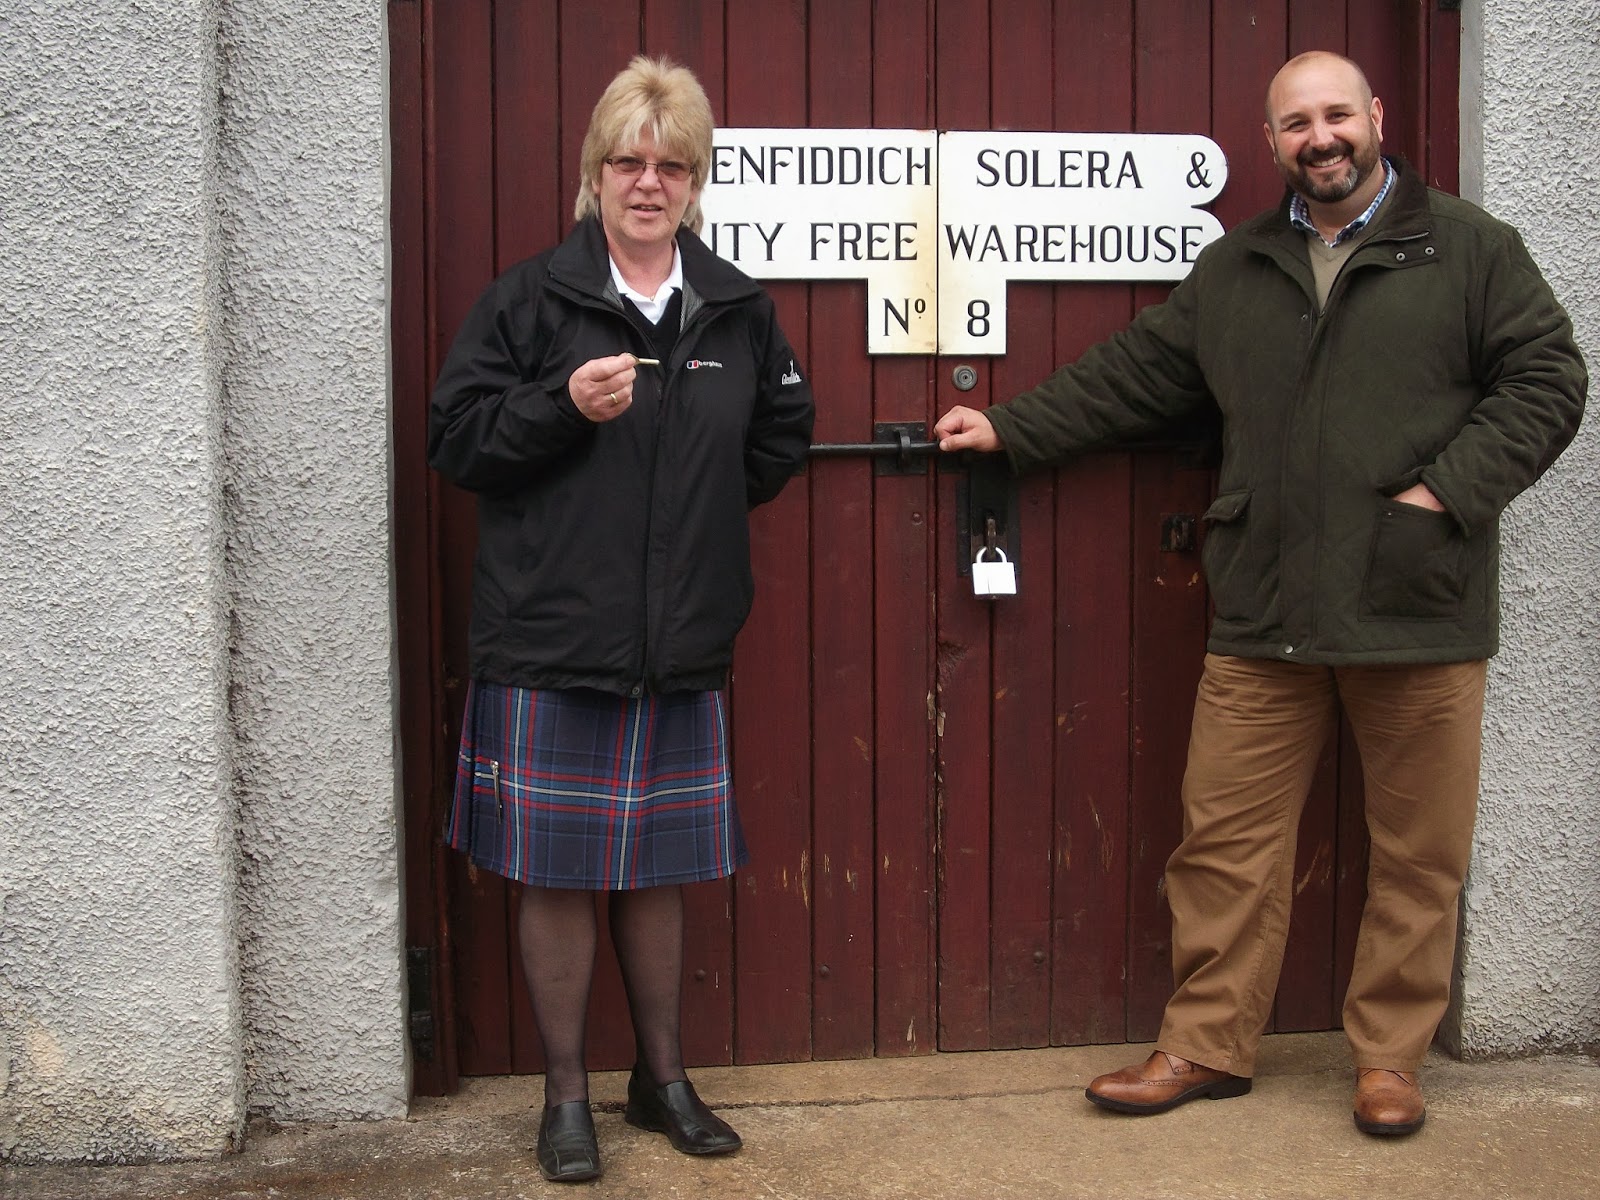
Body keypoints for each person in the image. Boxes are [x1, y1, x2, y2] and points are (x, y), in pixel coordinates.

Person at [935, 50, 1585, 1136]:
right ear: (1270, 140)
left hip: (1415, 610)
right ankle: (1204, 1044)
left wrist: (1441, 497)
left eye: (1336, 115)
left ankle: (1388, 1061)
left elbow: (1548, 380)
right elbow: (1136, 372)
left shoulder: (1470, 250)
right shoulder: (1238, 268)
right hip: (1264, 614)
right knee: (1223, 845)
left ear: (1375, 117)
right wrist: (1012, 426)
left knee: (1417, 856)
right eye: (1295, 124)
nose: (1319, 138)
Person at [428, 55, 813, 1183]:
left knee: (656, 869)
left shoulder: (737, 309)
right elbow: (458, 441)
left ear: (696, 181)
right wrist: (558, 407)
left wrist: (681, 524)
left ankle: (663, 1079)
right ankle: (565, 1098)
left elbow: (775, 442)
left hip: (676, 639)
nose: (648, 182)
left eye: (672, 165)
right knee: (556, 875)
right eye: (627, 162)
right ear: (593, 174)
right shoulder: (528, 300)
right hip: (550, 638)